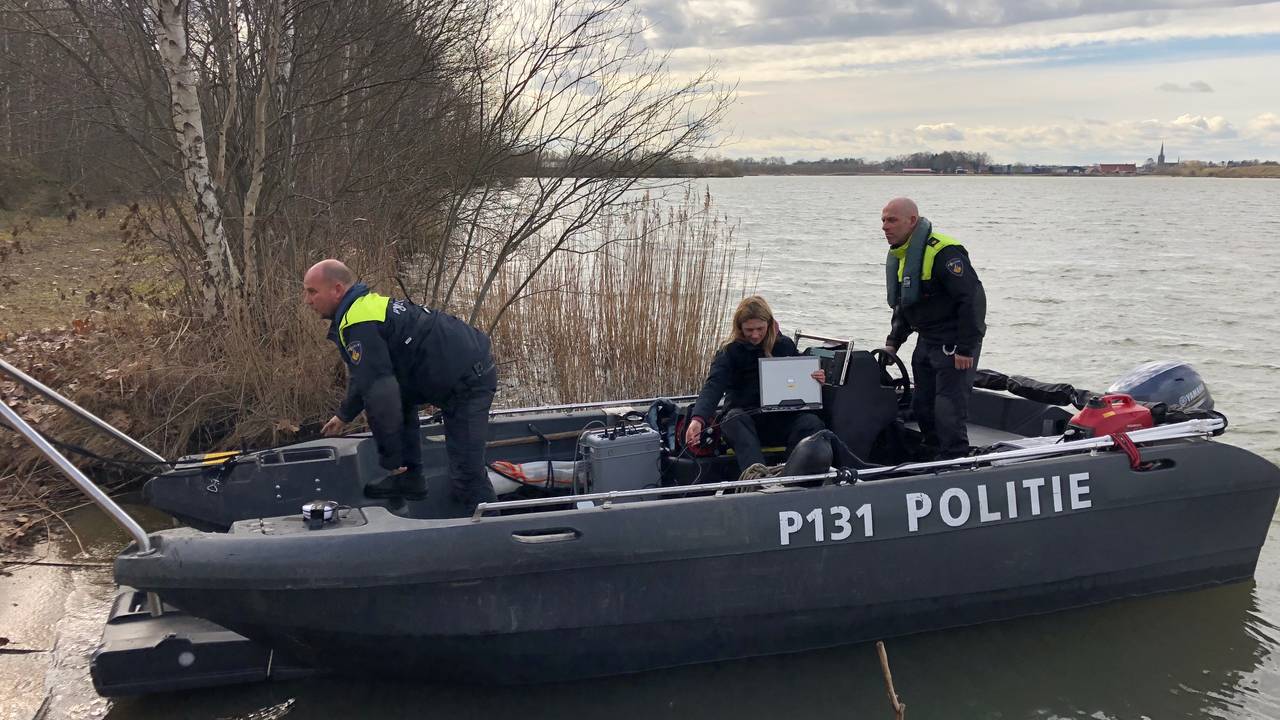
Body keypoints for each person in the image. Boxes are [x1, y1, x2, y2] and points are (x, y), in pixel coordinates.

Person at [302, 259, 498, 512]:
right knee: (395, 392)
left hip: (469, 379)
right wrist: (345, 414)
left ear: (337, 290)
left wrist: (391, 460)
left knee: (466, 473)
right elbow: (367, 374)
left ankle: (488, 531)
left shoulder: (359, 322)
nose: (307, 300)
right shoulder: (360, 310)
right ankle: (411, 478)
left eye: (312, 291)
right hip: (444, 372)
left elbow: (380, 396)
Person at [880, 197, 987, 459]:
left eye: (891, 220)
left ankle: (955, 458)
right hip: (926, 340)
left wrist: (965, 347)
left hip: (954, 343)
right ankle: (930, 454)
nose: (885, 227)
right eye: (883, 220)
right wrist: (893, 342)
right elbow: (905, 304)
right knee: (922, 405)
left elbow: (972, 299)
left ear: (912, 220)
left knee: (948, 409)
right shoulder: (903, 254)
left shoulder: (943, 252)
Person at [684, 296, 827, 476]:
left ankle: (792, 475)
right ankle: (756, 477)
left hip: (779, 418)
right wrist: (698, 419)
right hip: (745, 420)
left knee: (811, 422)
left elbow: (799, 377)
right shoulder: (729, 352)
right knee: (733, 419)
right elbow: (713, 386)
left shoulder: (784, 345)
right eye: (749, 330)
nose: (755, 335)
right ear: (739, 328)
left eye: (760, 329)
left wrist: (815, 378)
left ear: (769, 324)